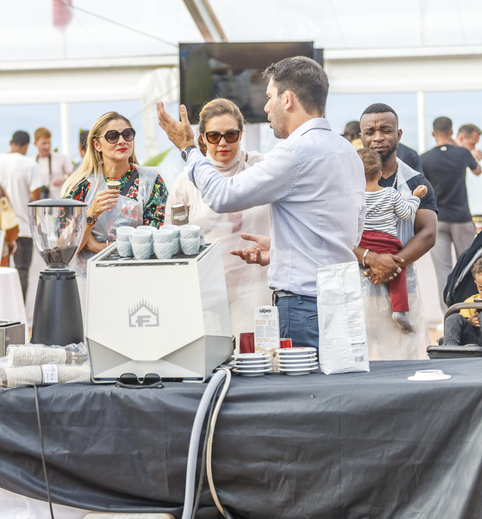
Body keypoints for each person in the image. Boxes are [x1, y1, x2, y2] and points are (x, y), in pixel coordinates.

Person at [159, 56, 364, 349]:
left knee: (301, 380)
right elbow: (352, 231)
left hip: (303, 305)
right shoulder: (346, 151)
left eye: (269, 97)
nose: (266, 107)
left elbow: (222, 196)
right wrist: (284, 248)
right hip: (342, 299)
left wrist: (188, 149)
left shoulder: (294, 152)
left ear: (287, 100)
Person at [166, 98, 271, 335]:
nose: (223, 143)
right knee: (210, 354)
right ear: (202, 138)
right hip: (204, 287)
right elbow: (172, 236)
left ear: (241, 134)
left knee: (252, 353)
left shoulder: (261, 169)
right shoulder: (186, 181)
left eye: (230, 135)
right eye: (214, 136)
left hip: (254, 286)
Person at [355, 103, 438, 359]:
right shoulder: (346, 181)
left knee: (405, 357)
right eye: (370, 131)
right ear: (361, 136)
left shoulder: (416, 182)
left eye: (386, 130)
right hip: (358, 284)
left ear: (398, 134)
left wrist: (391, 265)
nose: (378, 137)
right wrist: (370, 258)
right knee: (360, 359)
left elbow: (428, 233)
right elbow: (332, 232)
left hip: (402, 285)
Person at [63, 112, 168, 309]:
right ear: (96, 144)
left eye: (127, 134)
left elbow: (155, 241)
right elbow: (65, 248)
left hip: (136, 278)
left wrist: (100, 247)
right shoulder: (81, 185)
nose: (121, 141)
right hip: (88, 282)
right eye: (112, 136)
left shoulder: (151, 181)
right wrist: (91, 215)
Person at [355, 148, 426, 333]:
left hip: (363, 242)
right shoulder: (390, 193)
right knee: (398, 271)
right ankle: (399, 311)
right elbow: (407, 213)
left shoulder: (355, 197)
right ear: (379, 174)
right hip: (387, 243)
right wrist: (416, 197)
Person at [419, 115, 482, 313]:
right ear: (452, 132)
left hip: (438, 220)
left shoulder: (424, 158)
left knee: (443, 271)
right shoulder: (462, 153)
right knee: (469, 267)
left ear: (433, 133)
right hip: (462, 219)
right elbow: (478, 171)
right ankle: (471, 312)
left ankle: (449, 314)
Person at [0, 130, 45, 298]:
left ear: (11, 143)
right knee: (22, 271)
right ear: (26, 146)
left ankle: (0, 307)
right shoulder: (30, 165)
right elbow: (36, 200)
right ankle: (20, 309)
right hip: (23, 228)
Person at [441, 253, 482, 346]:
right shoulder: (471, 302)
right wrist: (470, 321)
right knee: (453, 318)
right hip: (473, 339)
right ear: (476, 285)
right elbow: (461, 323)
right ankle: (450, 345)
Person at [33, 127, 72, 198]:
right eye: (43, 143)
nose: (47, 147)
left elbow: (74, 177)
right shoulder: (31, 162)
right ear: (35, 143)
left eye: (49, 143)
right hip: (39, 202)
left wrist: (63, 179)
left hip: (60, 201)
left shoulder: (61, 157)